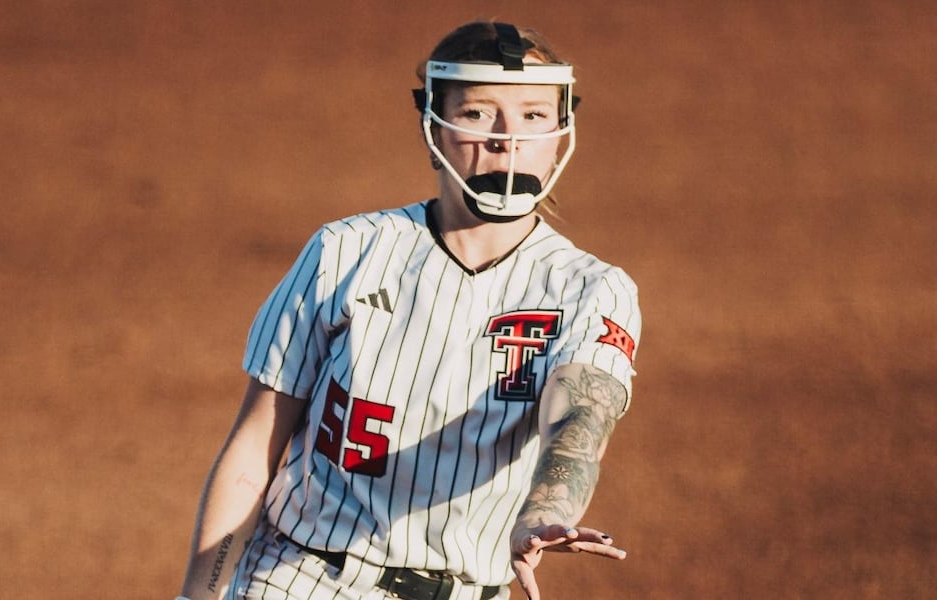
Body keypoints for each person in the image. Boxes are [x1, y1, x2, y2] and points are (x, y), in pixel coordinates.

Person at [177, 20, 641, 600]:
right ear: (433, 129)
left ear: (561, 130)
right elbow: (254, 447)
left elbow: (579, 423)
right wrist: (199, 593)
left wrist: (540, 515)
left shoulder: (593, 289)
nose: (508, 138)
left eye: (533, 114)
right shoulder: (346, 251)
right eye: (477, 113)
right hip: (301, 581)